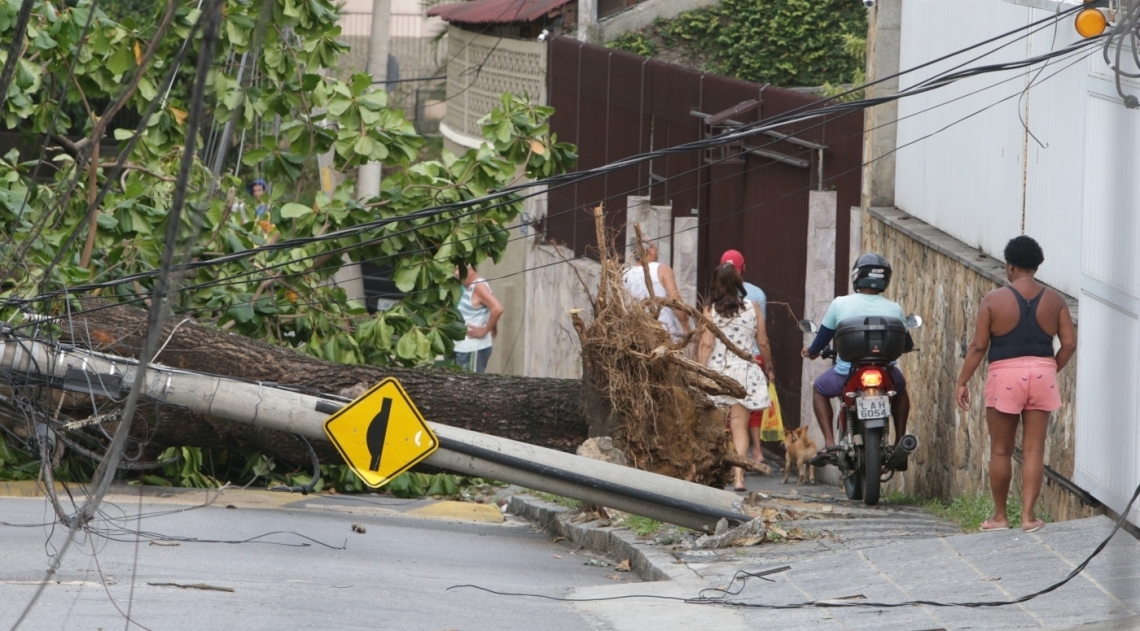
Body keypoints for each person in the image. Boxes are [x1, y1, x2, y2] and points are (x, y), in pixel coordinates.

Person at [955, 236, 1075, 533]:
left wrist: (962, 380)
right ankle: (1028, 517)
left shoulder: (993, 300)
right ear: (1036, 265)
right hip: (1043, 374)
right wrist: (1051, 369)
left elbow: (979, 347)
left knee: (1000, 450)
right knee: (1034, 450)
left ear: (1009, 266)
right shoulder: (1056, 300)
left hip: (1005, 375)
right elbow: (1069, 344)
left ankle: (999, 517)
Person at [802, 253, 914, 466]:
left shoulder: (840, 304)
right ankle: (900, 441)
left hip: (847, 374)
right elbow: (906, 345)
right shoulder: (895, 309)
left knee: (819, 388)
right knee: (900, 391)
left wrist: (812, 351)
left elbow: (822, 339)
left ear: (857, 276)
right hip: (886, 373)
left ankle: (828, 443)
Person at [697, 263, 776, 492]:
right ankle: (739, 478)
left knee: (717, 427)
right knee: (740, 428)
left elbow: (706, 343)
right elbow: (762, 342)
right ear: (738, 284)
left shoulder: (710, 311)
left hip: (718, 373)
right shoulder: (753, 307)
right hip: (744, 373)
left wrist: (700, 372)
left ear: (716, 285)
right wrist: (768, 367)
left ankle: (716, 474)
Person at [720, 249, 770, 461]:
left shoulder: (716, 295)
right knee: (754, 406)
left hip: (724, 359)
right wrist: (769, 367)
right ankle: (757, 451)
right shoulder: (757, 295)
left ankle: (731, 452)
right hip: (753, 357)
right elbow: (762, 335)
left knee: (726, 406)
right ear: (744, 269)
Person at [622, 238, 689, 342]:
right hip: (663, 335)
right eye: (654, 245)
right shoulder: (662, 270)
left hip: (635, 336)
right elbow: (675, 301)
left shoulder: (625, 273)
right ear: (650, 250)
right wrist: (686, 326)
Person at [454, 265, 504, 373]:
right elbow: (488, 307)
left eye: (460, 268)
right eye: (455, 269)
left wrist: (485, 330)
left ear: (472, 269)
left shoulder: (478, 286)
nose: (456, 273)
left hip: (473, 348)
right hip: (463, 348)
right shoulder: (467, 287)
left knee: (470, 386)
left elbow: (497, 308)